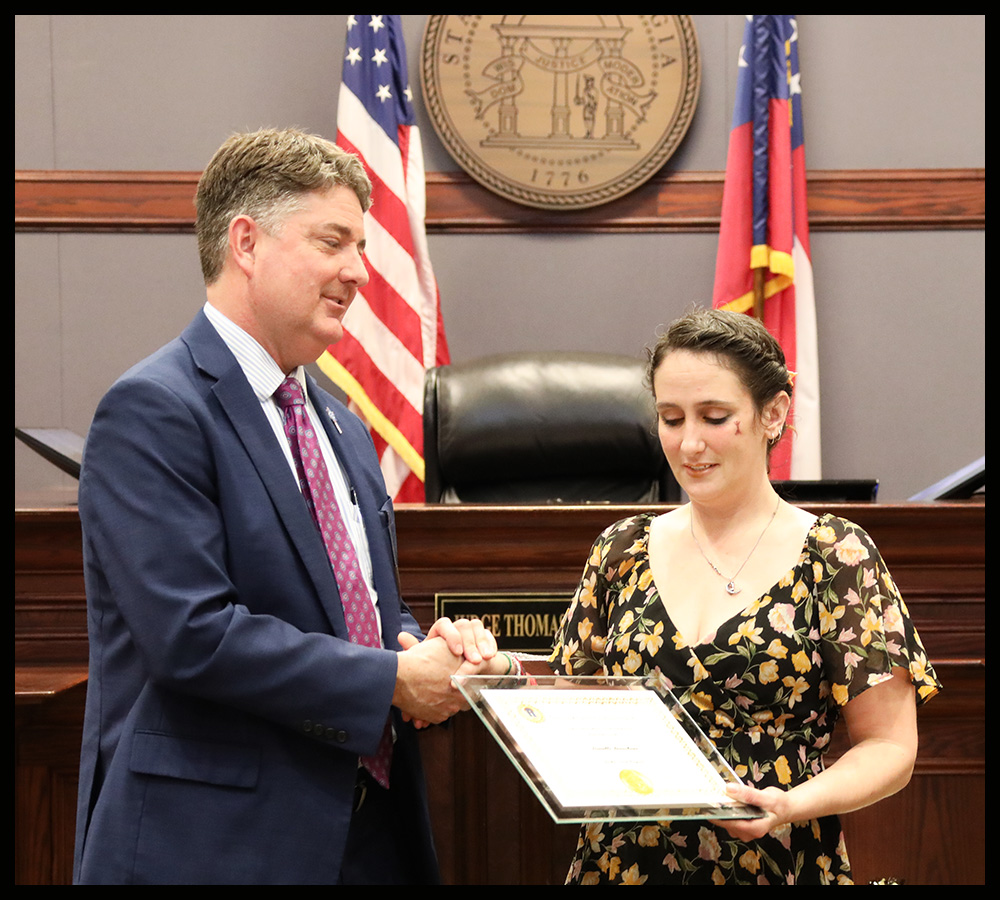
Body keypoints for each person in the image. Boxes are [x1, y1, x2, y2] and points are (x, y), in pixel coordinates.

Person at [73, 128, 510, 885]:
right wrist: (391, 682)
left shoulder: (337, 417)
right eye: (333, 242)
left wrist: (413, 645)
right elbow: (190, 634)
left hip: (371, 837)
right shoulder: (154, 409)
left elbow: (359, 606)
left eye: (362, 247)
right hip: (216, 846)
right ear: (246, 242)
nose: (359, 272)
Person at [549, 308, 941, 885]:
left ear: (773, 412)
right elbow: (565, 706)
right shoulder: (621, 549)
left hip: (778, 859)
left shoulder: (835, 554)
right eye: (670, 418)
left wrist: (793, 803)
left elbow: (889, 746)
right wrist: (496, 668)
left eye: (714, 417)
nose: (689, 443)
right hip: (623, 863)